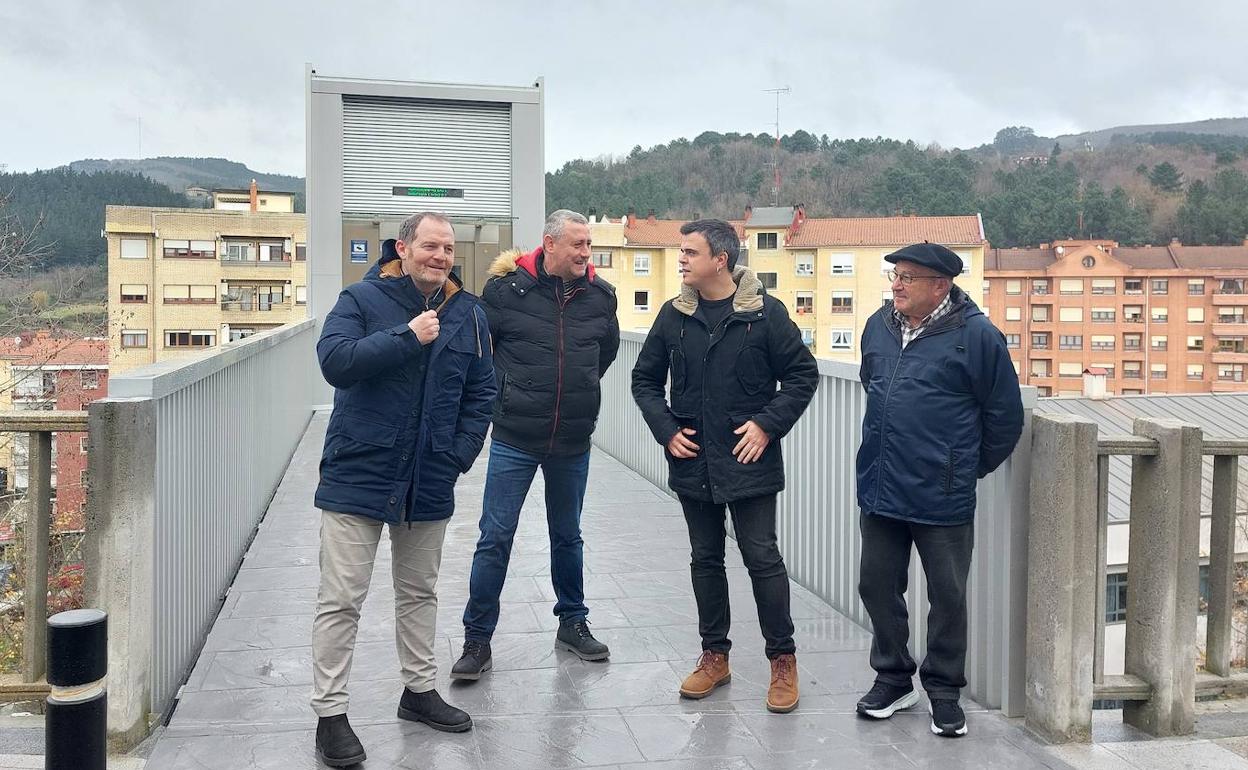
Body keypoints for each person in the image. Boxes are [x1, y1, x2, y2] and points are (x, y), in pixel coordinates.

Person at [310, 212, 495, 767]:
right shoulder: (361, 299)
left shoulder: (469, 313)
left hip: (430, 476)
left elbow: (482, 392)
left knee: (420, 592)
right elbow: (335, 362)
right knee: (342, 599)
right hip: (358, 472)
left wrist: (458, 455)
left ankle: (418, 692)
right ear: (403, 248)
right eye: (430, 246)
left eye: (448, 249)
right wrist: (406, 337)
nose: (440, 256)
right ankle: (330, 714)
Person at [631, 218, 818, 713]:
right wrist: (666, 429)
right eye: (681, 252)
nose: (681, 259)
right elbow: (644, 380)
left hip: (747, 459)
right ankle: (715, 657)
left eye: (690, 252)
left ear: (721, 260)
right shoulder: (674, 316)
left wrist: (767, 425)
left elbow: (802, 375)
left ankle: (783, 660)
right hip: (694, 461)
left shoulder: (765, 315)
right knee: (705, 559)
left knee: (762, 558)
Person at [853, 242, 1023, 738]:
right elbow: (872, 383)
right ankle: (893, 679)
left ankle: (944, 692)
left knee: (947, 597)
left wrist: (961, 469)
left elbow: (1005, 418)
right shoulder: (878, 326)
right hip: (882, 486)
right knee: (876, 585)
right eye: (895, 275)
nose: (896, 284)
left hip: (942, 495)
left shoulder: (979, 337)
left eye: (908, 277)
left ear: (941, 285)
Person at [452, 209, 620, 679]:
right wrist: (507, 395)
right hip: (515, 437)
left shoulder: (601, 297)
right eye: (578, 245)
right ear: (549, 244)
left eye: (589, 244)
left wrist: (576, 390)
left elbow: (603, 355)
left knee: (568, 536)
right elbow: (482, 356)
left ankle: (573, 622)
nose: (586, 253)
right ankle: (477, 639)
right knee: (495, 536)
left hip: (573, 439)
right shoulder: (504, 292)